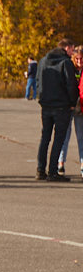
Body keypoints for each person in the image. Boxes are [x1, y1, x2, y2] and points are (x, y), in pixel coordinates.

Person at [35, 38, 80, 182]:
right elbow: (71, 84)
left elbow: (38, 81)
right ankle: (53, 171)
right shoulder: (65, 62)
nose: (72, 52)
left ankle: (40, 170)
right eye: (72, 49)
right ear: (66, 48)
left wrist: (41, 99)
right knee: (59, 139)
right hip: (61, 106)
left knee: (45, 138)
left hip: (46, 105)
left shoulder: (43, 61)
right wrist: (72, 102)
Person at [57, 46, 83, 178]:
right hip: (69, 107)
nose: (79, 61)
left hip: (81, 109)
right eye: (77, 59)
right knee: (65, 136)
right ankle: (61, 163)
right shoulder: (69, 69)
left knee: (81, 137)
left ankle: (82, 164)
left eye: (81, 59)